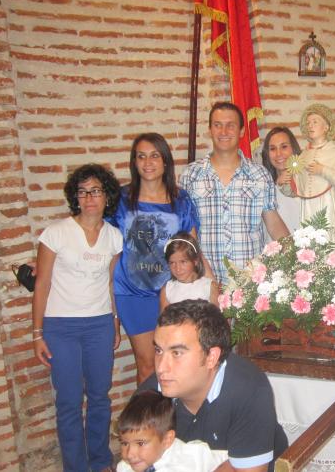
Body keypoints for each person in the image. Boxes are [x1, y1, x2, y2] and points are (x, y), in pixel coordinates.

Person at [32, 164, 123, 472]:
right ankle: (75, 466)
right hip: (61, 327)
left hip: (99, 324)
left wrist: (115, 323)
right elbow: (42, 284)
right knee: (69, 401)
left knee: (99, 397)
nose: (89, 198)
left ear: (107, 196)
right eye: (82, 192)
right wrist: (37, 333)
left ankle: (100, 460)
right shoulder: (55, 233)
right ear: (75, 197)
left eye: (95, 191)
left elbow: (111, 284)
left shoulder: (114, 237)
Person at [109, 133, 212, 385]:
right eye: (141, 156)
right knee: (147, 366)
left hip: (175, 292)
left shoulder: (181, 200)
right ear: (134, 162)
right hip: (133, 294)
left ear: (165, 161)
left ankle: (175, 411)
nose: (148, 162)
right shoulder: (121, 200)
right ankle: (150, 412)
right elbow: (101, 242)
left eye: (154, 155)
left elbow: (192, 248)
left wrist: (212, 284)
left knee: (179, 363)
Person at [139, 299, 288, 472]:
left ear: (211, 357)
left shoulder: (249, 390)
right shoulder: (148, 396)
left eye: (177, 353)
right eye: (158, 351)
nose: (161, 368)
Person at [180, 102, 290, 285]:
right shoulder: (190, 175)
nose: (224, 131)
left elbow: (273, 224)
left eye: (230, 125)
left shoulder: (260, 175)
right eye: (218, 125)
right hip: (205, 283)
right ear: (210, 130)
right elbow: (186, 232)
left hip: (251, 284)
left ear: (241, 131)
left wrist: (297, 256)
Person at [286, 104, 335, 249]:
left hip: (328, 206)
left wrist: (323, 170)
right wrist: (284, 183)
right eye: (308, 123)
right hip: (308, 209)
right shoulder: (303, 155)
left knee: (329, 246)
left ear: (326, 127)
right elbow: (296, 189)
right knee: (310, 248)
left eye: (315, 122)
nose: (310, 125)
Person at [117, 390, 228, 472]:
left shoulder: (190, 460)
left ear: (167, 439)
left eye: (140, 443)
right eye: (125, 443)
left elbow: (233, 461)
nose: (130, 454)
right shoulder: (125, 467)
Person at [160, 232, 218, 310]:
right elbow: (164, 317)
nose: (177, 268)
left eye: (183, 262)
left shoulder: (209, 287)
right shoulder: (167, 289)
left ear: (195, 261)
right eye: (172, 263)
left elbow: (216, 317)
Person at [260, 126, 302, 234]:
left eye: (284, 147)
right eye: (273, 149)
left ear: (293, 149)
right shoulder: (263, 187)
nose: (278, 154)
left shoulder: (308, 182)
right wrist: (277, 187)